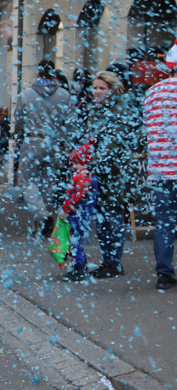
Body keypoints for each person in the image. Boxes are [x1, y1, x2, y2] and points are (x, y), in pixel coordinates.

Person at [70, 71, 142, 278]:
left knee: (112, 217)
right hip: (100, 172)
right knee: (102, 217)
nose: (97, 92)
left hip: (116, 174)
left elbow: (110, 146)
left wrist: (90, 166)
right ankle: (107, 260)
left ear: (111, 90)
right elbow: (90, 140)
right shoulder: (96, 110)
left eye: (102, 88)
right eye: (95, 88)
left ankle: (114, 262)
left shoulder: (121, 112)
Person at [13, 60, 76, 235]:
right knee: (49, 182)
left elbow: (19, 119)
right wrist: (68, 145)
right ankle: (46, 218)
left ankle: (42, 214)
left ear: (38, 74)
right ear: (53, 75)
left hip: (33, 141)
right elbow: (71, 123)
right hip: (54, 143)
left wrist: (18, 136)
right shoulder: (64, 95)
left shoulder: (26, 94)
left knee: (27, 181)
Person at [144, 42, 177, 290]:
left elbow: (149, 129)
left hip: (160, 171)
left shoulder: (152, 92)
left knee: (164, 223)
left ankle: (164, 274)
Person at [59, 143, 99, 282]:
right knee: (75, 240)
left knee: (75, 241)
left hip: (78, 215)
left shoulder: (84, 178)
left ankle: (79, 267)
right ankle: (80, 264)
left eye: (77, 163)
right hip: (81, 214)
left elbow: (76, 197)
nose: (74, 166)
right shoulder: (86, 176)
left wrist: (66, 209)